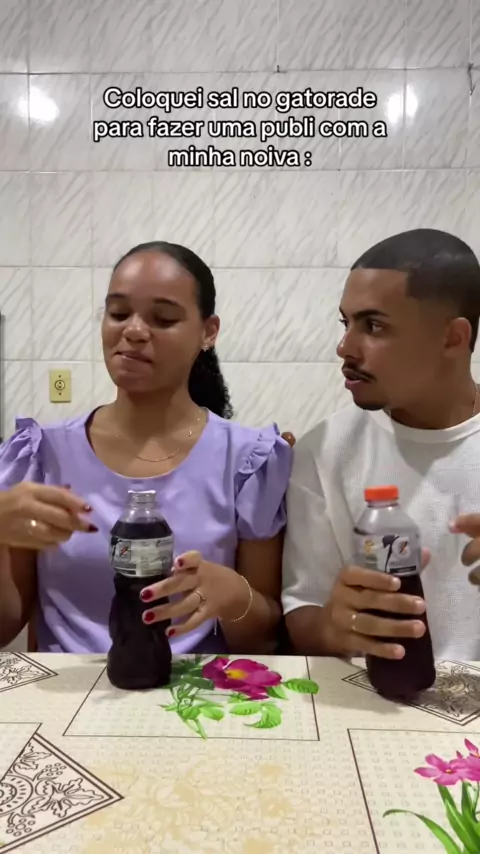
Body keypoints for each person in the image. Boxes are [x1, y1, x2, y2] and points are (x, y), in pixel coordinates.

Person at [0, 241, 292, 655]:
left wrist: (234, 597)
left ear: (208, 332)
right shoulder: (40, 455)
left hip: (196, 689)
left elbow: (263, 639)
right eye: (118, 313)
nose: (133, 331)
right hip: (67, 690)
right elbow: (5, 627)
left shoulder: (248, 461)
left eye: (163, 318)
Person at [282, 228, 480, 662]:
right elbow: (303, 606)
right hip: (372, 697)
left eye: (373, 326)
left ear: (453, 338)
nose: (344, 347)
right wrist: (334, 628)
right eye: (346, 323)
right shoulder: (324, 449)